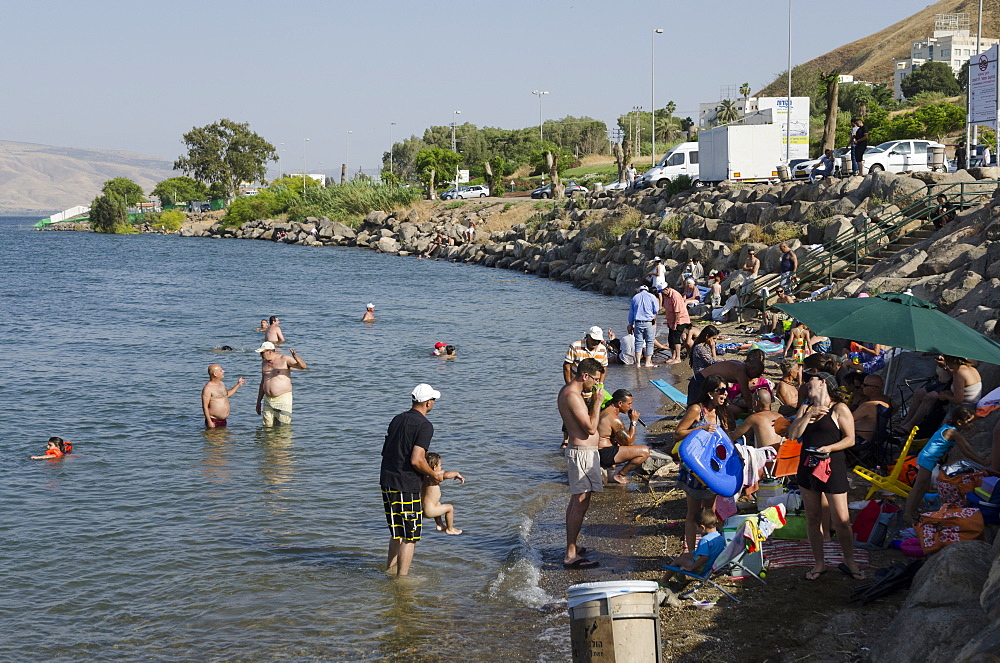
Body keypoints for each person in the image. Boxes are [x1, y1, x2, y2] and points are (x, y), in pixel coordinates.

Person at [785, 371, 863, 582]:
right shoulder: (805, 407)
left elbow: (851, 439)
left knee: (842, 520)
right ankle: (819, 563)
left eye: (811, 380)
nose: (807, 383)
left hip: (833, 466)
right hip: (808, 466)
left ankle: (850, 562)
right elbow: (793, 435)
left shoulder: (839, 408)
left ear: (822, 383)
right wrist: (809, 415)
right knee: (813, 517)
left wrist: (829, 447)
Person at [380, 383, 444, 576]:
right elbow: (417, 459)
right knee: (410, 536)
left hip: (387, 480)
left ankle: (388, 571)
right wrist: (433, 475)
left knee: (396, 533)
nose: (433, 402)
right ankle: (401, 582)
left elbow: (386, 451)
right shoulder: (425, 425)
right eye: (433, 399)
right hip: (406, 485)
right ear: (427, 403)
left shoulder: (397, 419)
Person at [674, 374, 730, 553]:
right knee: (693, 512)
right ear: (709, 392)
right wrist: (700, 428)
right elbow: (678, 433)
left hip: (712, 467)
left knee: (709, 511)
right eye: (721, 390)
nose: (725, 394)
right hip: (695, 467)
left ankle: (708, 550)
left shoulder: (720, 411)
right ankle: (690, 552)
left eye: (726, 390)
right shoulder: (697, 410)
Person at [559, 358, 606, 569]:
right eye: (595, 380)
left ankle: (573, 546)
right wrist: (597, 402)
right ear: (585, 376)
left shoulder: (571, 392)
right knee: (579, 502)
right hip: (581, 453)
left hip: (584, 453)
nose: (597, 384)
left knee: (578, 501)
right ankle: (570, 554)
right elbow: (589, 428)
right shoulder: (572, 395)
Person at [903, 405, 985, 524]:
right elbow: (965, 450)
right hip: (927, 459)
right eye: (969, 422)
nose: (971, 425)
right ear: (959, 422)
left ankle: (914, 510)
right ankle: (907, 514)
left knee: (924, 487)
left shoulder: (951, 429)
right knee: (919, 486)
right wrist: (981, 462)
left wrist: (979, 458)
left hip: (928, 458)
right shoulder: (952, 432)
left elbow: (967, 447)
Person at [897, 355, 981, 434]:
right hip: (969, 402)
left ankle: (913, 427)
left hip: (965, 407)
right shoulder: (969, 368)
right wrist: (949, 394)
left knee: (933, 404)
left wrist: (945, 396)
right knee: (921, 394)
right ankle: (908, 422)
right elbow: (965, 391)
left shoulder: (959, 372)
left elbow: (959, 399)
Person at [597, 389, 650, 485]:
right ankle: (620, 475)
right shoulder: (614, 418)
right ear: (620, 403)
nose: (631, 407)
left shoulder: (604, 412)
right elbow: (629, 442)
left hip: (598, 451)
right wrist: (633, 422)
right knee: (644, 451)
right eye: (629, 404)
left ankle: (610, 473)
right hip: (604, 453)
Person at [659, 509, 724, 585]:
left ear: (702, 527)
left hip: (701, 569)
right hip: (711, 566)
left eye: (697, 528)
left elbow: (704, 557)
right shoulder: (720, 537)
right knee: (685, 555)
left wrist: (691, 568)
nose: (696, 530)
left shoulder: (705, 540)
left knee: (677, 560)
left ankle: (664, 581)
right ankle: (680, 576)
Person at [690, 359, 765, 417]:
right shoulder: (741, 371)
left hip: (703, 380)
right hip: (700, 381)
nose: (757, 377)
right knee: (693, 408)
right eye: (757, 374)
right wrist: (752, 409)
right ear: (753, 368)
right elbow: (746, 393)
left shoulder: (739, 365)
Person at [255, 342, 307, 426]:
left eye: (262, 353)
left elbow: (303, 367)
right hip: (268, 400)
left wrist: (296, 357)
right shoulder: (264, 363)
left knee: (283, 427)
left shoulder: (284, 359)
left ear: (270, 351)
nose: (260, 355)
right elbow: (262, 382)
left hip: (283, 398)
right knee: (267, 427)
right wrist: (258, 402)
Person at [421, 451, 465, 535]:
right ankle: (450, 529)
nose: (441, 468)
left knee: (438, 503)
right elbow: (446, 475)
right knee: (450, 508)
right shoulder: (434, 476)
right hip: (430, 511)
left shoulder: (424, 476)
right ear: (434, 467)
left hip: (423, 509)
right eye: (440, 466)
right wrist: (457, 474)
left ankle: (440, 525)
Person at [201, 364, 246, 428]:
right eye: (221, 371)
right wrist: (209, 421)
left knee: (224, 437)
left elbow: (226, 395)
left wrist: (238, 385)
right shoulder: (208, 388)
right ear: (215, 374)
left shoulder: (222, 384)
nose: (223, 371)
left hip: (223, 420)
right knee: (214, 437)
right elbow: (204, 406)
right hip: (213, 421)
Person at [852, 374, 892, 443]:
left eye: (864, 385)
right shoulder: (887, 401)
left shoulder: (868, 405)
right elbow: (895, 409)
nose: (862, 386)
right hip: (874, 441)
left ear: (873, 388)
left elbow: (847, 420)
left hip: (859, 440)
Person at [627, 286, 660, 368]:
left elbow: (631, 313)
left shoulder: (635, 297)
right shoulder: (652, 297)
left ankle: (638, 363)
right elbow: (656, 310)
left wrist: (630, 324)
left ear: (639, 290)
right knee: (649, 342)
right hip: (649, 322)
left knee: (638, 343)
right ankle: (647, 363)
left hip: (638, 323)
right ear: (647, 290)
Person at [662, 284, 691, 365]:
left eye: (662, 291)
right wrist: (668, 321)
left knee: (676, 338)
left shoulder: (675, 296)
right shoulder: (666, 295)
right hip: (671, 320)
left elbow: (677, 312)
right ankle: (673, 356)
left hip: (680, 320)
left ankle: (678, 358)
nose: (661, 293)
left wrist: (675, 324)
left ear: (667, 288)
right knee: (670, 339)